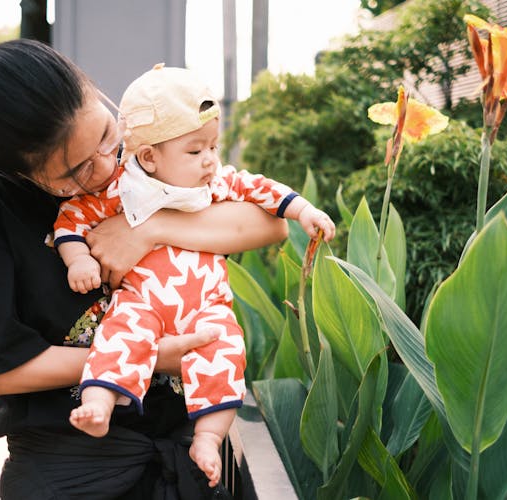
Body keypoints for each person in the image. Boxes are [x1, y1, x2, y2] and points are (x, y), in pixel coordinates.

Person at [0, 39, 289, 499]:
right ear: (19, 172)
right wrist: (141, 357)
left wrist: (148, 229)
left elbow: (269, 225)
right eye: (74, 172)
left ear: (94, 91)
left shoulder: (144, 155)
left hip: (185, 459)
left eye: (105, 135)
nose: (105, 168)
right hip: (79, 478)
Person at [56, 64, 336, 487]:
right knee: (120, 336)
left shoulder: (215, 182)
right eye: (195, 151)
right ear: (148, 156)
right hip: (142, 301)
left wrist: (305, 212)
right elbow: (73, 218)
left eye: (213, 147)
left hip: (207, 306)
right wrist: (79, 259)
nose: (210, 160)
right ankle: (98, 404)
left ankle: (208, 437)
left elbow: (262, 190)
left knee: (226, 351)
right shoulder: (121, 188)